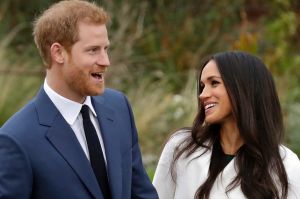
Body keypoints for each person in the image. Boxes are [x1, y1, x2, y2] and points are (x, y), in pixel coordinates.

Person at [0, 1, 158, 199]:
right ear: (58, 53)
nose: (105, 61)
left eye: (105, 49)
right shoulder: (16, 139)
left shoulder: (119, 108)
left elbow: (140, 193)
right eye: (93, 50)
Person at [153, 51, 300, 199]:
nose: (202, 94)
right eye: (203, 86)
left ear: (244, 88)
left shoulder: (285, 165)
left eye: (214, 83)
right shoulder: (182, 147)